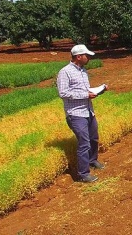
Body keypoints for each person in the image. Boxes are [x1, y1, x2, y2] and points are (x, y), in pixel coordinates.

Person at [57, 44, 107, 183]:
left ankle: (93, 160)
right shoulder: (65, 72)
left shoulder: (83, 71)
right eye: (87, 55)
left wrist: (99, 90)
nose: (89, 58)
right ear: (78, 57)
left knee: (93, 138)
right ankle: (83, 174)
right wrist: (86, 95)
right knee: (84, 143)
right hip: (76, 114)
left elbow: (84, 90)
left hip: (88, 111)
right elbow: (63, 93)